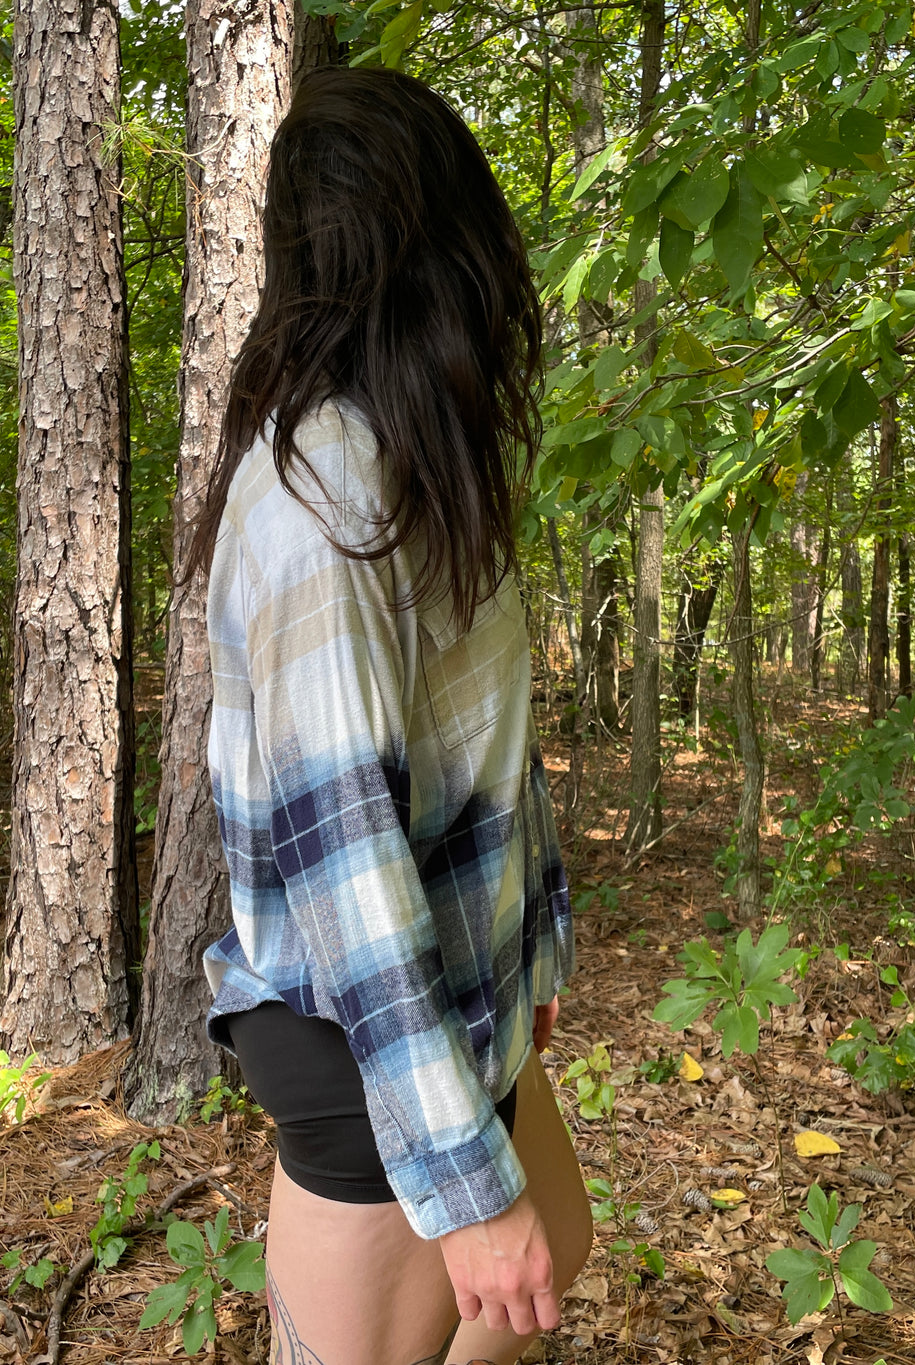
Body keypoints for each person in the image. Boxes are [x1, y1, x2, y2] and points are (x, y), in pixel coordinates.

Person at [189, 64, 593, 1365]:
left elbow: (477, 751)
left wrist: (531, 962)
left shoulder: (410, 458)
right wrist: (470, 1192)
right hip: (361, 1044)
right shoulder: (318, 509)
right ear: (445, 252)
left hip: (456, 990)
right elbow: (348, 880)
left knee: (559, 1241)